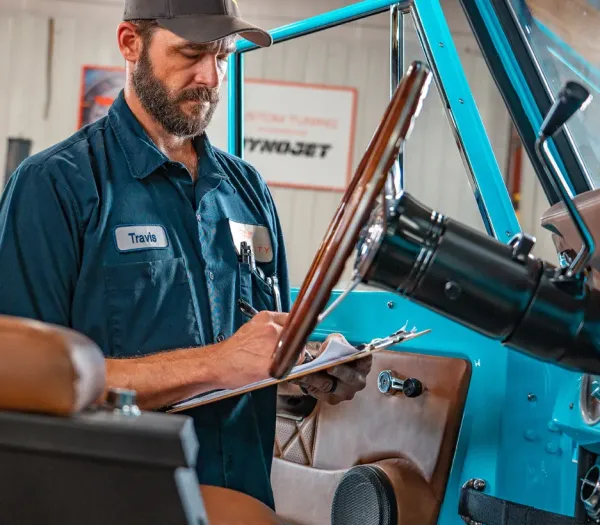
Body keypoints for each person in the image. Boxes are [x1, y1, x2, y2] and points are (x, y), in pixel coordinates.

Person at [0, 0, 372, 510]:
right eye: (192, 53)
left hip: (244, 499)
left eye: (222, 56)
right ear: (131, 43)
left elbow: (253, 365)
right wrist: (218, 363)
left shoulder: (248, 191)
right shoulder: (56, 185)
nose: (210, 77)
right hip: (110, 504)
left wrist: (300, 378)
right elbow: (21, 384)